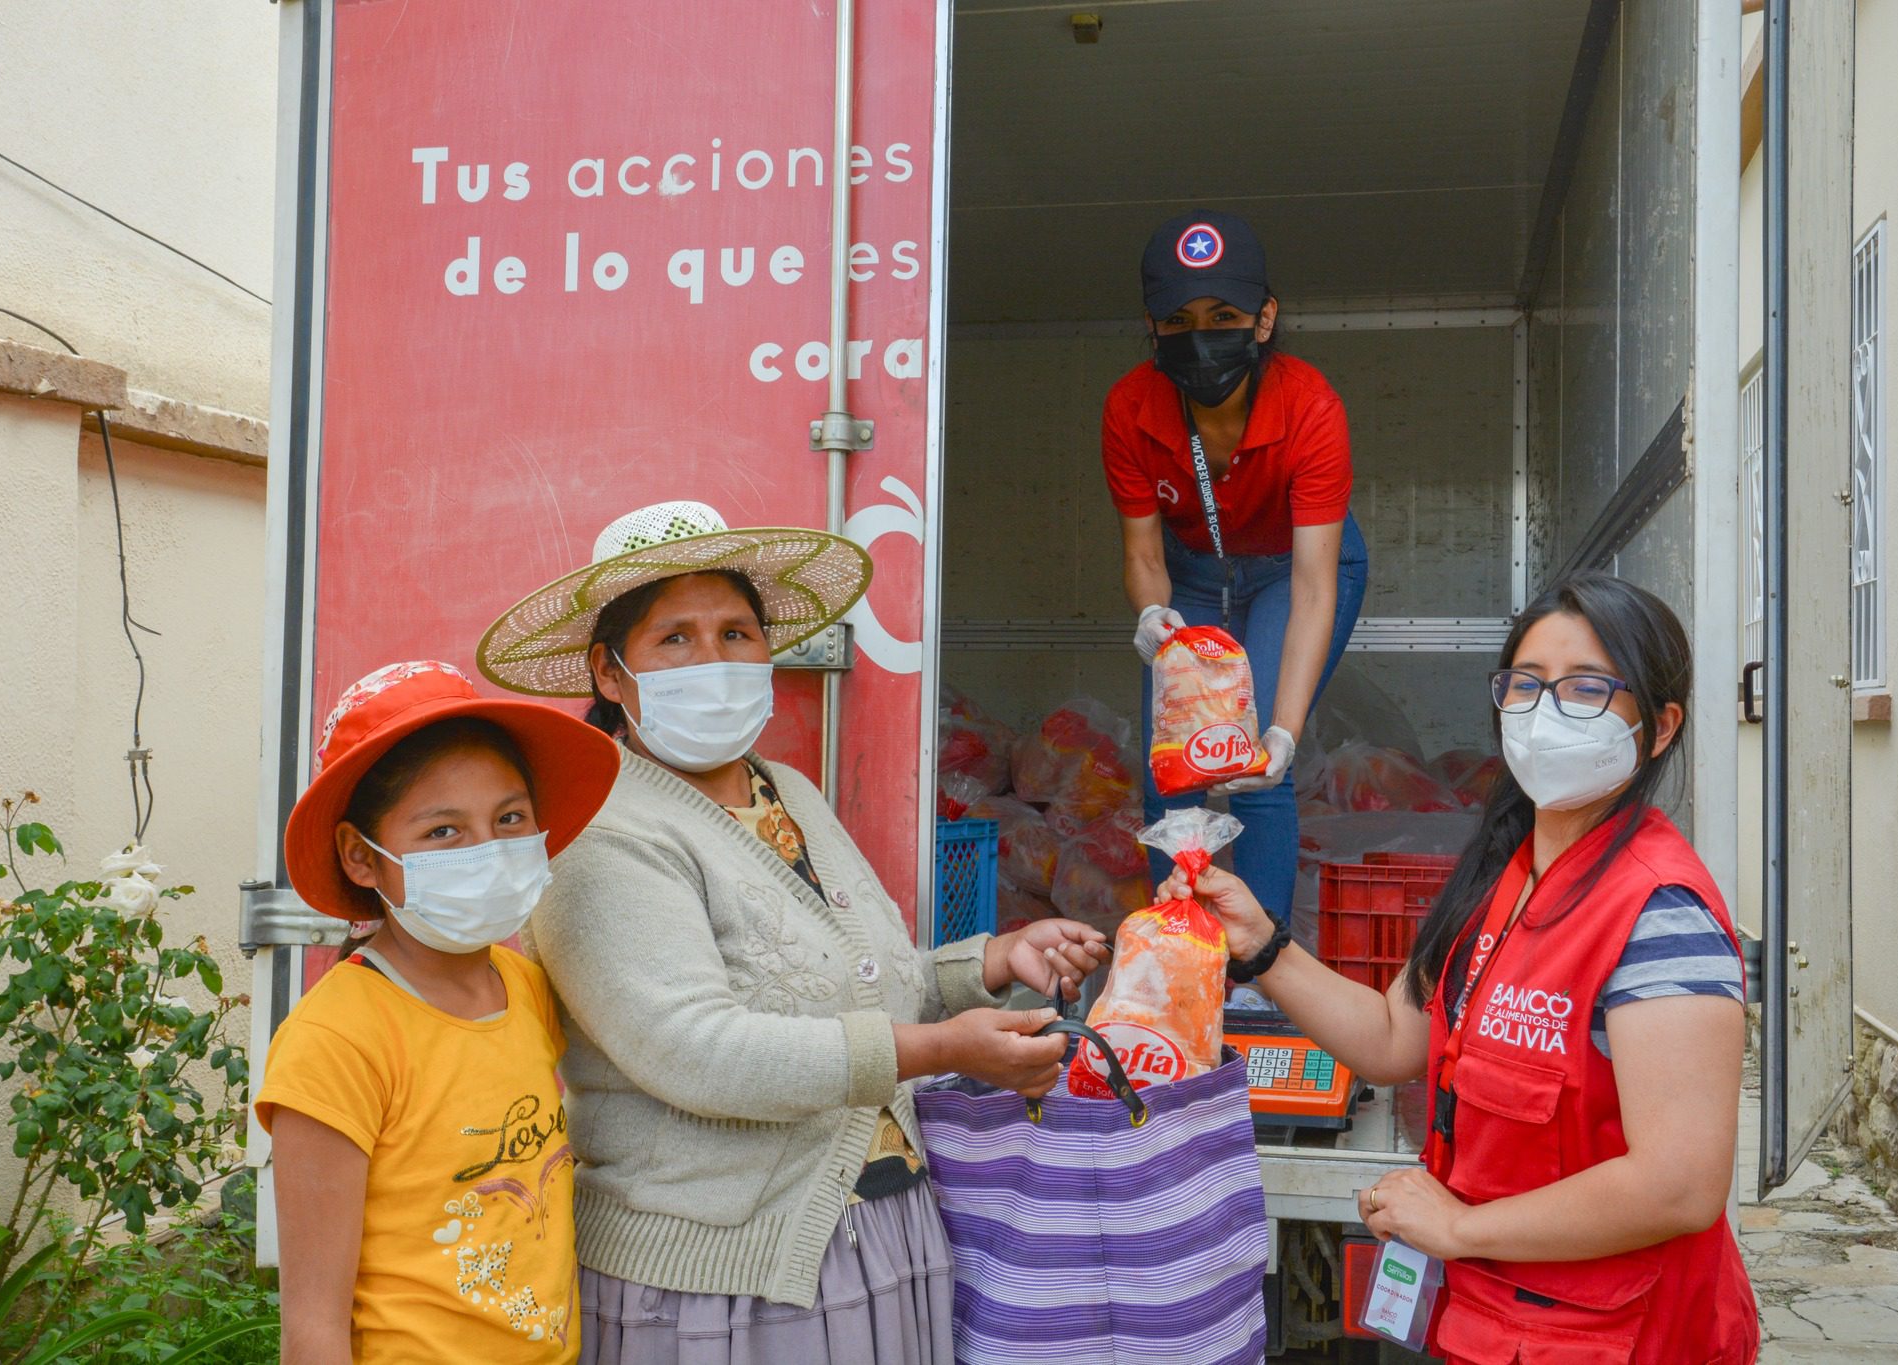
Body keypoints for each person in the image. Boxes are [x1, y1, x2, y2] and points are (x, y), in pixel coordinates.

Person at [476, 499, 1113, 1365]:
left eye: (737, 633)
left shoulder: (790, 793)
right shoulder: (600, 833)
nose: (715, 659)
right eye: (677, 638)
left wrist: (991, 962)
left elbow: (859, 989)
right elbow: (698, 1049)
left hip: (879, 1241)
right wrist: (940, 1048)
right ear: (611, 673)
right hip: (721, 1279)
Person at [1164, 572, 1758, 1363]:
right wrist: (1261, 943)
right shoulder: (1499, 876)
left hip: (1623, 1337)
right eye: (1526, 684)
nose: (1546, 713)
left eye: (1585, 689)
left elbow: (1679, 1183)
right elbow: (1390, 1036)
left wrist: (1459, 1226)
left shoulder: (1660, 912)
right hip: (1494, 1319)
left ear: (1658, 726)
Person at [256, 659, 622, 1363]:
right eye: (444, 832)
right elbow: (312, 1326)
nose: (488, 849)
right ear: (362, 858)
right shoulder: (335, 1039)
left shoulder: (525, 987)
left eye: (509, 818)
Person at [1104, 209, 1370, 924]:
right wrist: (1151, 614)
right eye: (1178, 319)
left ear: (1264, 317)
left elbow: (1314, 585)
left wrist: (1282, 728)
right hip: (1191, 570)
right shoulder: (1131, 408)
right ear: (1154, 325)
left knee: (1255, 768)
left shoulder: (1311, 406)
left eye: (1223, 314)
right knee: (1174, 768)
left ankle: (1260, 969)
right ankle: (1179, 946)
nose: (1201, 335)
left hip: (1296, 568)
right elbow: (1143, 554)